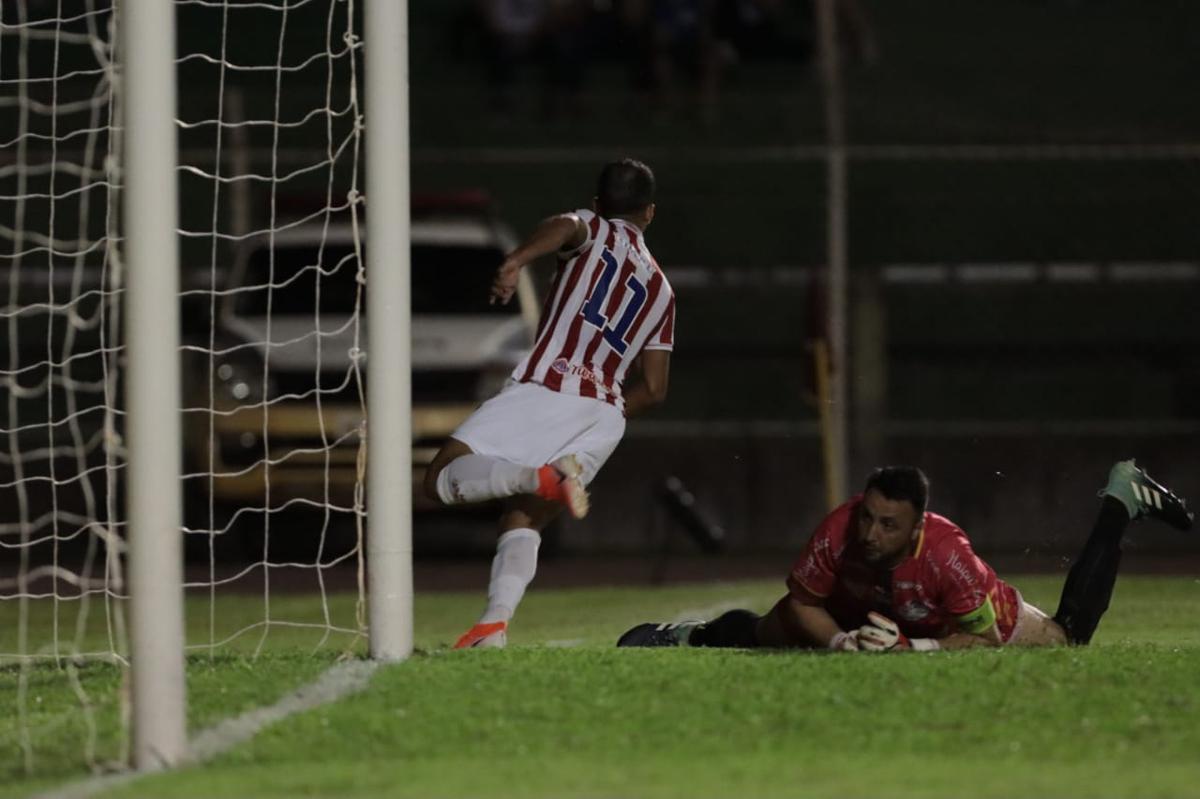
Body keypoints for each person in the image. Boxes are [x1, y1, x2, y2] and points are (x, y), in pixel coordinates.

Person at [425, 158, 676, 650]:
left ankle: (537, 477)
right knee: (525, 517)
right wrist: (604, 406)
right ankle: (492, 627)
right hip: (605, 415)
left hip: (548, 386)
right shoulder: (663, 291)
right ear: (649, 212)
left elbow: (565, 226)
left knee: (439, 477)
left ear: (599, 203)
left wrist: (517, 259)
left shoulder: (593, 227)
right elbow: (654, 388)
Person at [617, 460, 1193, 651]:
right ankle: (684, 636)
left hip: (952, 622)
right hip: (867, 611)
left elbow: (980, 640)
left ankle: (1121, 500)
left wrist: (914, 649)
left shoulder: (948, 555)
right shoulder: (839, 530)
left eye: (888, 524)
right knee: (773, 632)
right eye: (867, 515)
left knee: (1068, 643)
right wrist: (841, 643)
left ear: (917, 528)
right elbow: (802, 603)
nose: (870, 532)